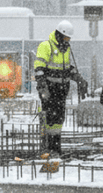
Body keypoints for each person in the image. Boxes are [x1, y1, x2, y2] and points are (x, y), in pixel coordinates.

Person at [34, 20, 88, 156]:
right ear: (59, 35)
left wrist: (79, 79)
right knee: (49, 118)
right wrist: (42, 85)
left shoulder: (66, 48)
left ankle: (55, 148)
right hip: (49, 89)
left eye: (69, 38)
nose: (67, 40)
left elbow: (67, 68)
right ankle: (48, 147)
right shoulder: (46, 46)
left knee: (58, 119)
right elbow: (39, 68)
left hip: (62, 90)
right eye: (66, 37)